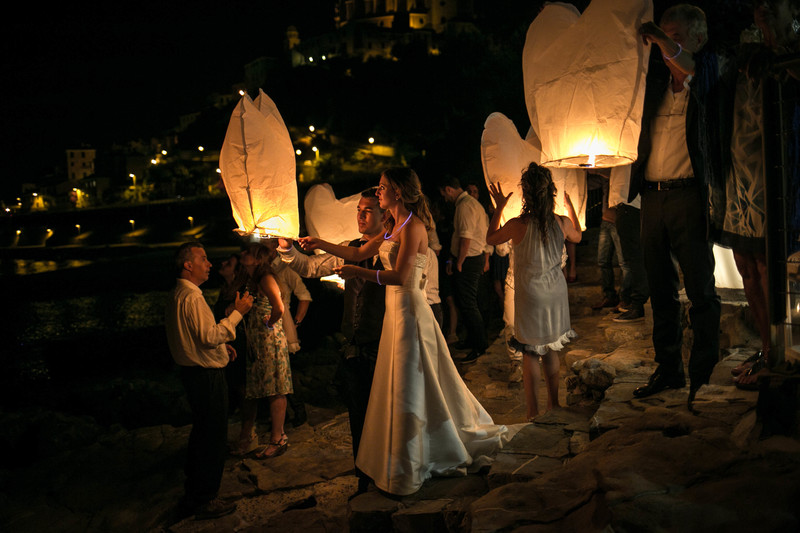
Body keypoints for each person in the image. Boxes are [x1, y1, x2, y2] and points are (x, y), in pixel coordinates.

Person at [299, 168, 507, 496]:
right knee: (400, 384)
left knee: (409, 383)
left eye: (382, 187)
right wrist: (319, 242)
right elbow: (357, 252)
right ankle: (403, 455)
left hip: (410, 310)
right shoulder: (391, 226)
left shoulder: (414, 227)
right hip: (394, 314)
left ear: (398, 191)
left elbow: (401, 276)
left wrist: (358, 274)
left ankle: (415, 459)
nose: (377, 192)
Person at [632, 4, 726, 407]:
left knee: (700, 288)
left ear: (699, 39)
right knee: (660, 289)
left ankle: (704, 373)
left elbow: (687, 65)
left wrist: (657, 35)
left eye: (675, 35)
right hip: (652, 196)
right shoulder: (652, 85)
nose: (663, 43)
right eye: (662, 36)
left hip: (689, 195)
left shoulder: (708, 76)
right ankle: (668, 369)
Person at [277, 188, 386, 496]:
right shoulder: (350, 247)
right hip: (353, 346)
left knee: (387, 416)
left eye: (368, 211)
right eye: (359, 209)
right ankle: (365, 478)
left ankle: (391, 473)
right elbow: (310, 267)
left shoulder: (394, 249)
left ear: (384, 215)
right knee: (358, 417)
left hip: (385, 345)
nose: (360, 216)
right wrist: (286, 249)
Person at [722, 0, 800, 388]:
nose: (763, 8)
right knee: (746, 263)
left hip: (782, 179)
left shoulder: (795, 55)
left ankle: (787, 354)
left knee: (775, 266)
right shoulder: (747, 57)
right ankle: (769, 349)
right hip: (743, 176)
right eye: (757, 3)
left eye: (774, 2)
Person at [165, 242, 253, 520]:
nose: (209, 263)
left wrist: (218, 348)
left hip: (192, 373)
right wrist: (238, 313)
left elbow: (194, 337)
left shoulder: (179, 294)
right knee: (213, 439)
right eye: (203, 259)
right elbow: (208, 336)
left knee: (202, 434)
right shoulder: (192, 297)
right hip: (206, 377)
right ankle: (205, 499)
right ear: (188, 265)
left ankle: (195, 493)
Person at [486, 163, 582, 421]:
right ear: (549, 192)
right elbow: (579, 237)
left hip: (530, 294)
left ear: (525, 194)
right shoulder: (561, 222)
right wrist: (571, 207)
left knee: (530, 351)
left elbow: (491, 238)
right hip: (556, 293)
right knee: (551, 348)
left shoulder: (518, 224)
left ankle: (532, 411)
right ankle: (554, 404)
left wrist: (499, 207)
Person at [239, 242, 290, 459]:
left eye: (248, 253)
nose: (243, 254)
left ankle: (278, 438)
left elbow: (279, 307)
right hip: (259, 342)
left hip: (270, 341)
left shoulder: (266, 278)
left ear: (258, 259)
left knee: (275, 387)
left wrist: (270, 323)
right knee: (260, 387)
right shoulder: (253, 279)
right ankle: (251, 437)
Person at [439, 176, 491, 363]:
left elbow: (466, 237)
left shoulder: (464, 206)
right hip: (469, 258)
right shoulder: (469, 204)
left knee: (468, 303)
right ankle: (471, 339)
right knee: (465, 302)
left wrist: (459, 261)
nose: (445, 198)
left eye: (444, 194)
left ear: (449, 189)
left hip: (469, 259)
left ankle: (480, 345)